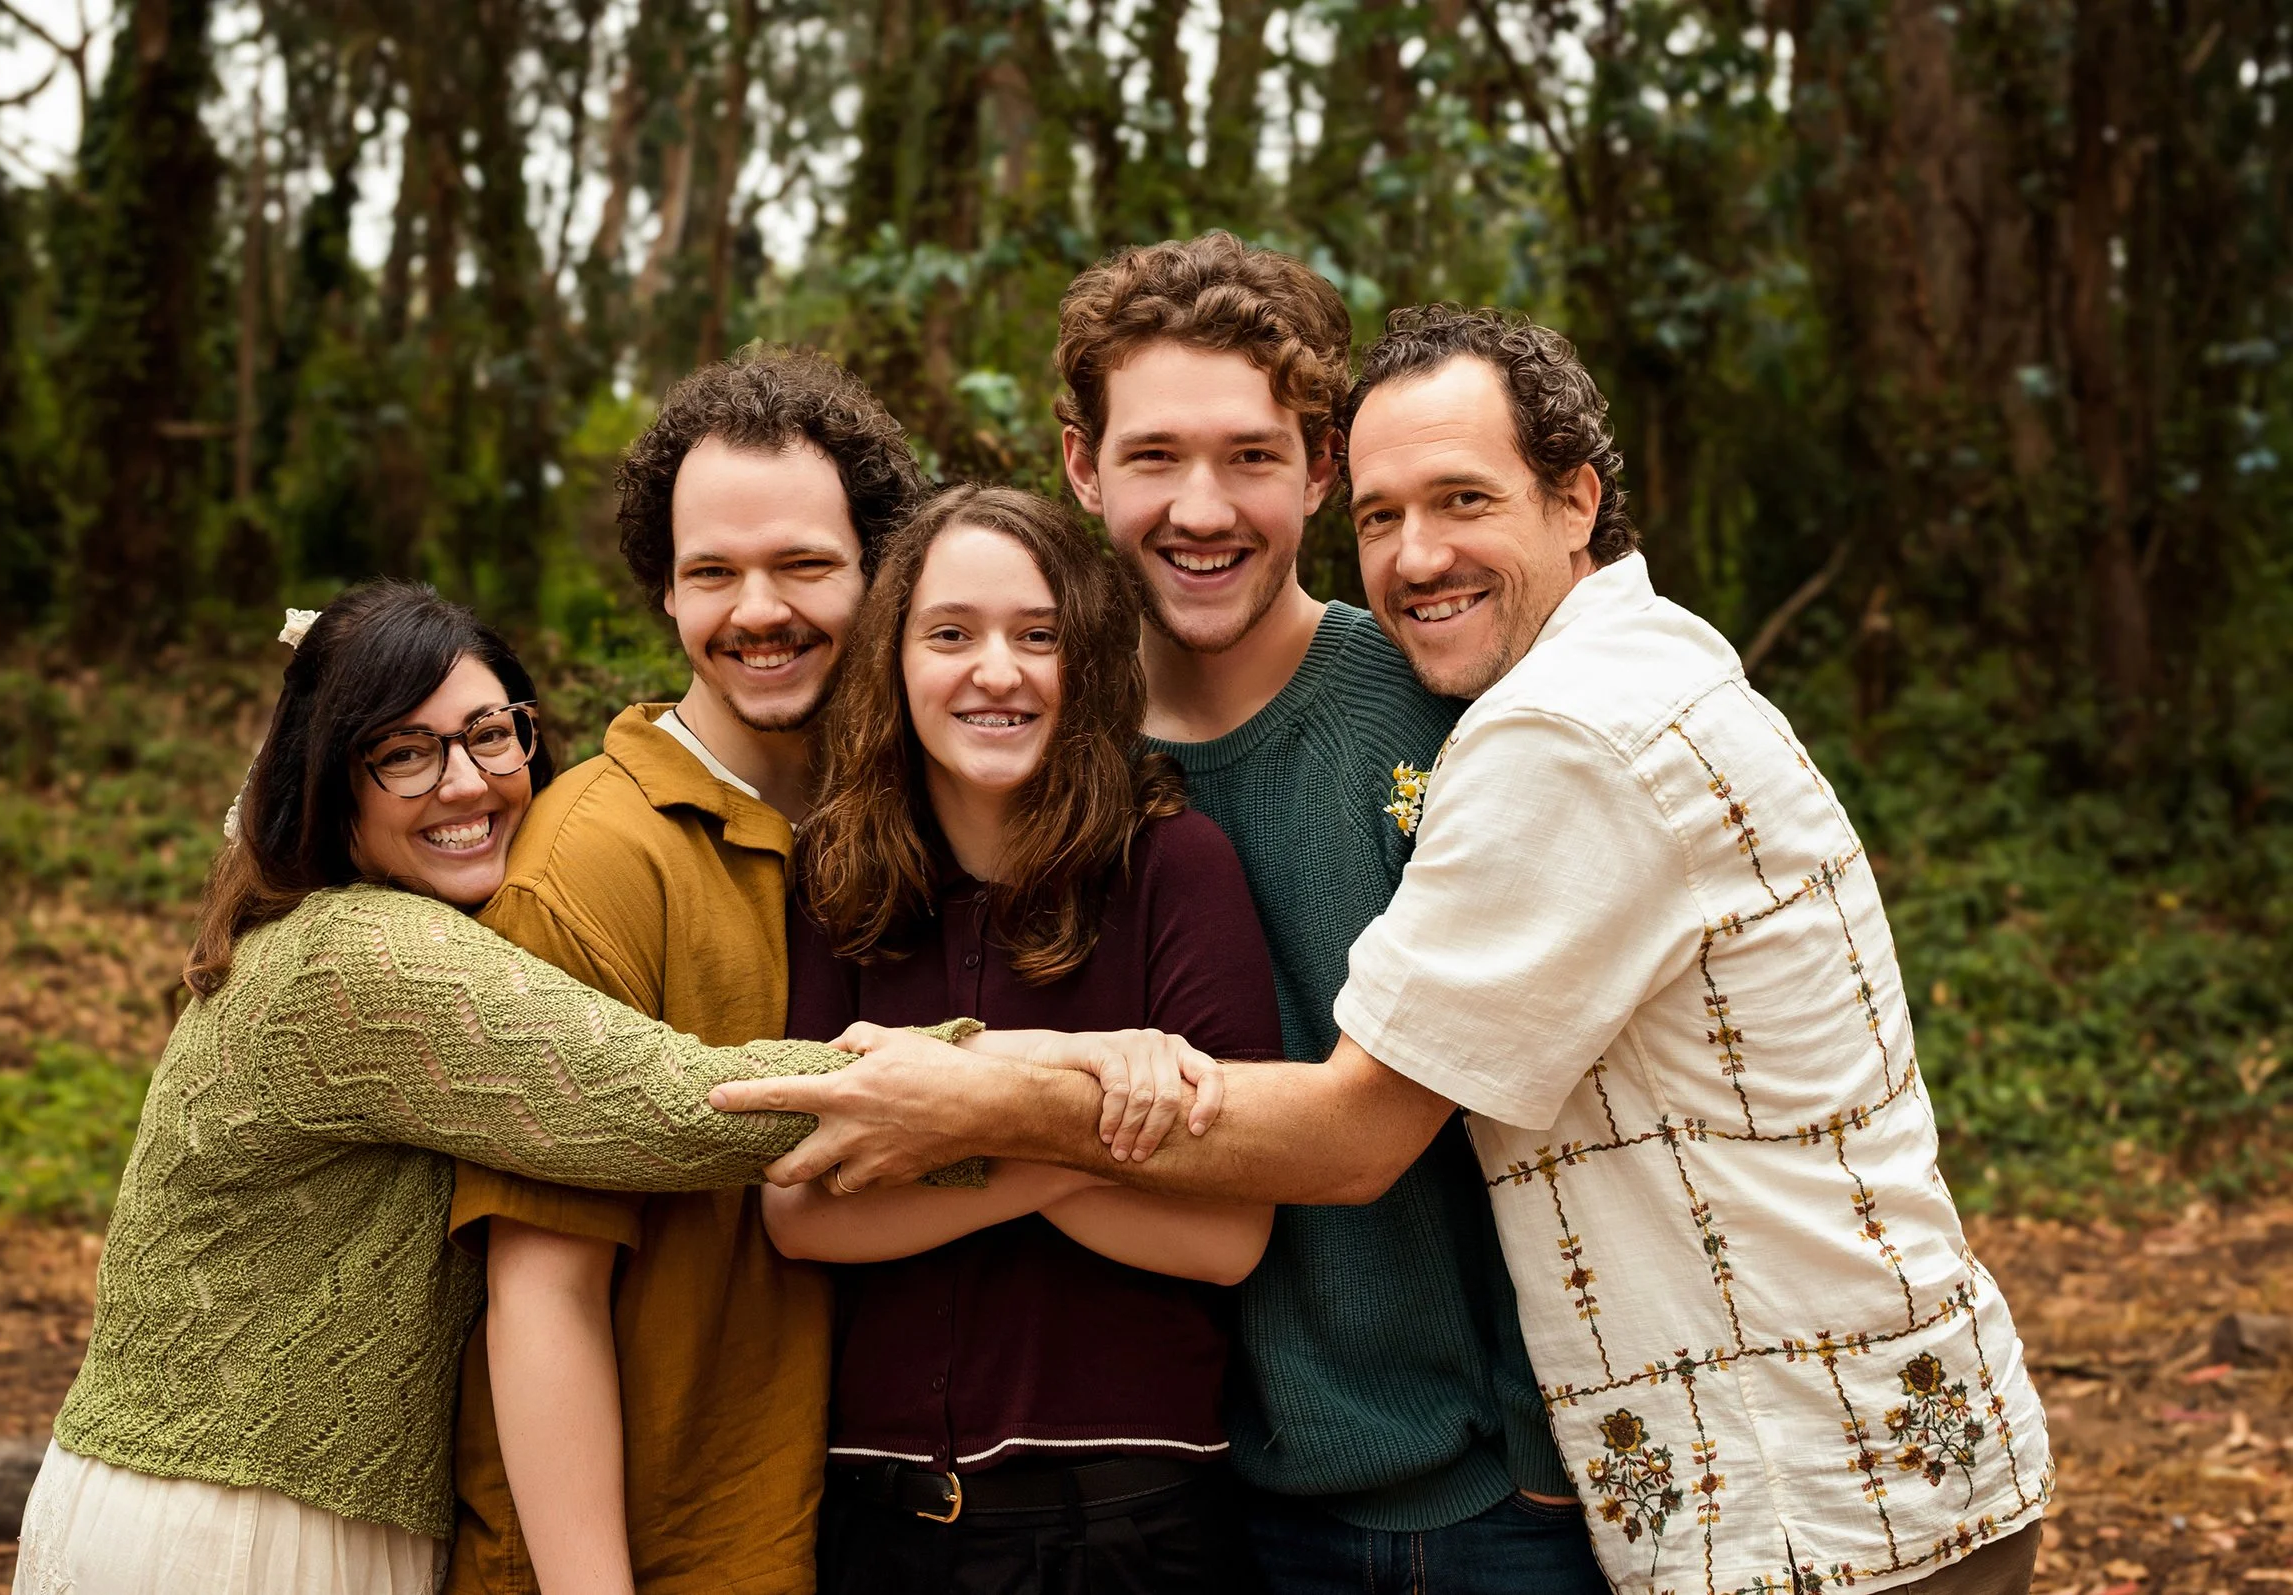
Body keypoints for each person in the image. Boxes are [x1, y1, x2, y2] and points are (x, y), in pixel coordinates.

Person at [717, 305, 2056, 1595]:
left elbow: (1363, 1129)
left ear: (1574, 500)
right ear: (1084, 466)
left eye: (1462, 499)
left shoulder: (1507, 721)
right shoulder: (1075, 765)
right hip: (1258, 1484)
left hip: (1622, 1487)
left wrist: (993, 1097)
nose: (1419, 555)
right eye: (1389, 517)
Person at [13, 580, 917, 1595]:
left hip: (256, 1498)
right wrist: (974, 1078)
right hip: (239, 1526)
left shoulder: (314, 928)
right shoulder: (363, 956)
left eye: (491, 734)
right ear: (329, 780)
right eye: (405, 753)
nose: (466, 782)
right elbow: (664, 1103)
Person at [1056, 231, 1601, 1591]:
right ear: (1082, 468)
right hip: (1188, 1492)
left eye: (1251, 456)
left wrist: (1538, 1458)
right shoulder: (1047, 748)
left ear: (1319, 468)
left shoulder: (1432, 708)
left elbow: (1567, 1095)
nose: (1201, 507)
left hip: (1476, 1503)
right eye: (1152, 457)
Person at [443, 347, 930, 1595]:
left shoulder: (912, 827)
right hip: (650, 1554)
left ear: (881, 571)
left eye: (804, 565)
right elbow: (538, 1287)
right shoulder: (593, 856)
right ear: (663, 592)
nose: (755, 609)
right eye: (711, 571)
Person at [765, 484, 1279, 1594]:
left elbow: (1227, 1233)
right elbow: (801, 1210)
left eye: (1035, 636)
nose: (994, 670)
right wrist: (1083, 1080)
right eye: (950, 633)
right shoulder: (836, 881)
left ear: (1085, 661)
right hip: (882, 1518)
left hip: (1132, 1521)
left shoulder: (1174, 868)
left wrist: (955, 1112)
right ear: (894, 662)